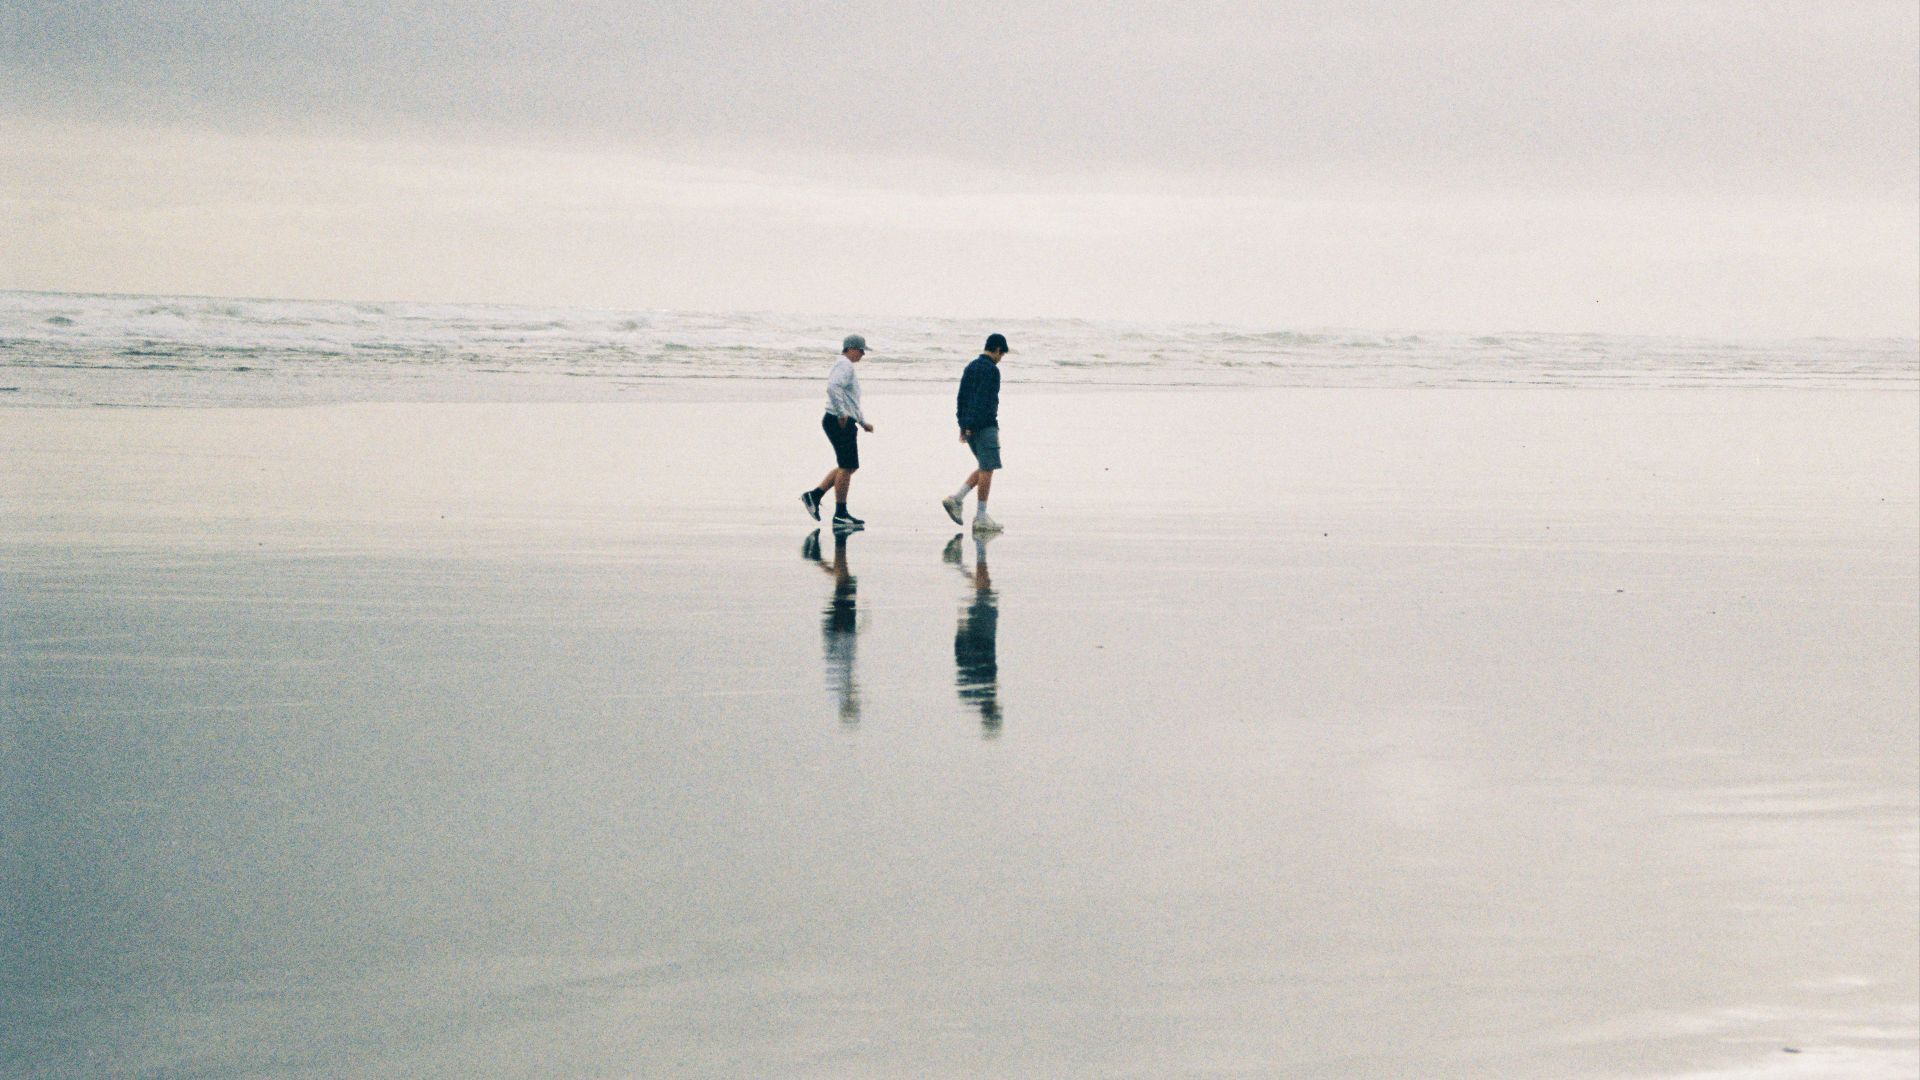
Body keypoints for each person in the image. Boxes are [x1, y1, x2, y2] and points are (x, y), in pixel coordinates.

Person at [801, 334, 875, 529]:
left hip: (840, 420)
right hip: (838, 421)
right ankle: (840, 514)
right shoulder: (845, 366)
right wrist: (842, 414)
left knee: (849, 466)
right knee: (846, 466)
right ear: (851, 348)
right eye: (861, 350)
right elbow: (833, 387)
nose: (863, 354)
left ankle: (814, 496)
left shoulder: (845, 365)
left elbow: (850, 399)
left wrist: (862, 422)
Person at [942, 332, 1008, 532]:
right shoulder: (992, 371)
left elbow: (961, 398)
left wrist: (963, 425)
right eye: (1001, 354)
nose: (1000, 359)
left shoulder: (970, 367)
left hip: (969, 424)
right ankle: (980, 516)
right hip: (984, 425)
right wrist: (972, 425)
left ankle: (957, 499)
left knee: (984, 466)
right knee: (988, 468)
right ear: (996, 349)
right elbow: (984, 401)